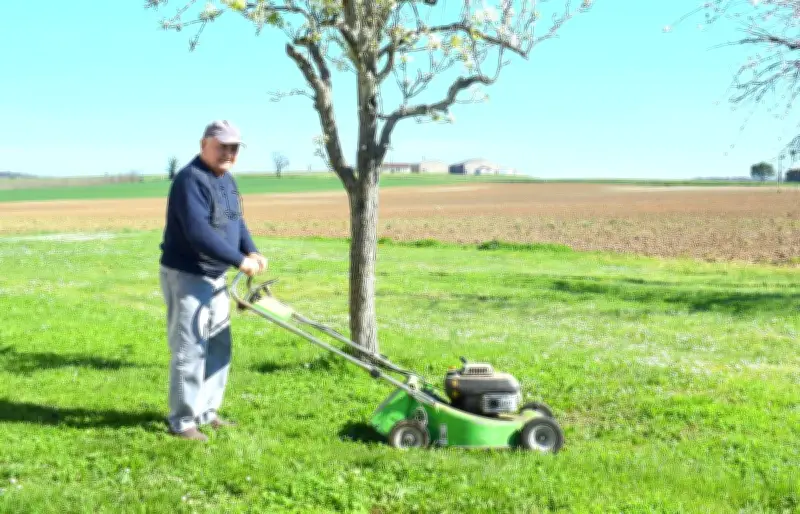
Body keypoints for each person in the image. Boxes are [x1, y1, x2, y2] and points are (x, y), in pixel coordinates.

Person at [158, 120, 267, 441]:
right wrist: (238, 260)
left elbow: (236, 222)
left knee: (219, 345)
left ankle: (207, 412)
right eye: (223, 146)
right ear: (204, 144)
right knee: (190, 348)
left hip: (216, 275)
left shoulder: (227, 180)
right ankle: (182, 421)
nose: (229, 153)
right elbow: (198, 232)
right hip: (188, 274)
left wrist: (252, 250)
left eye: (234, 148)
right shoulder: (190, 180)